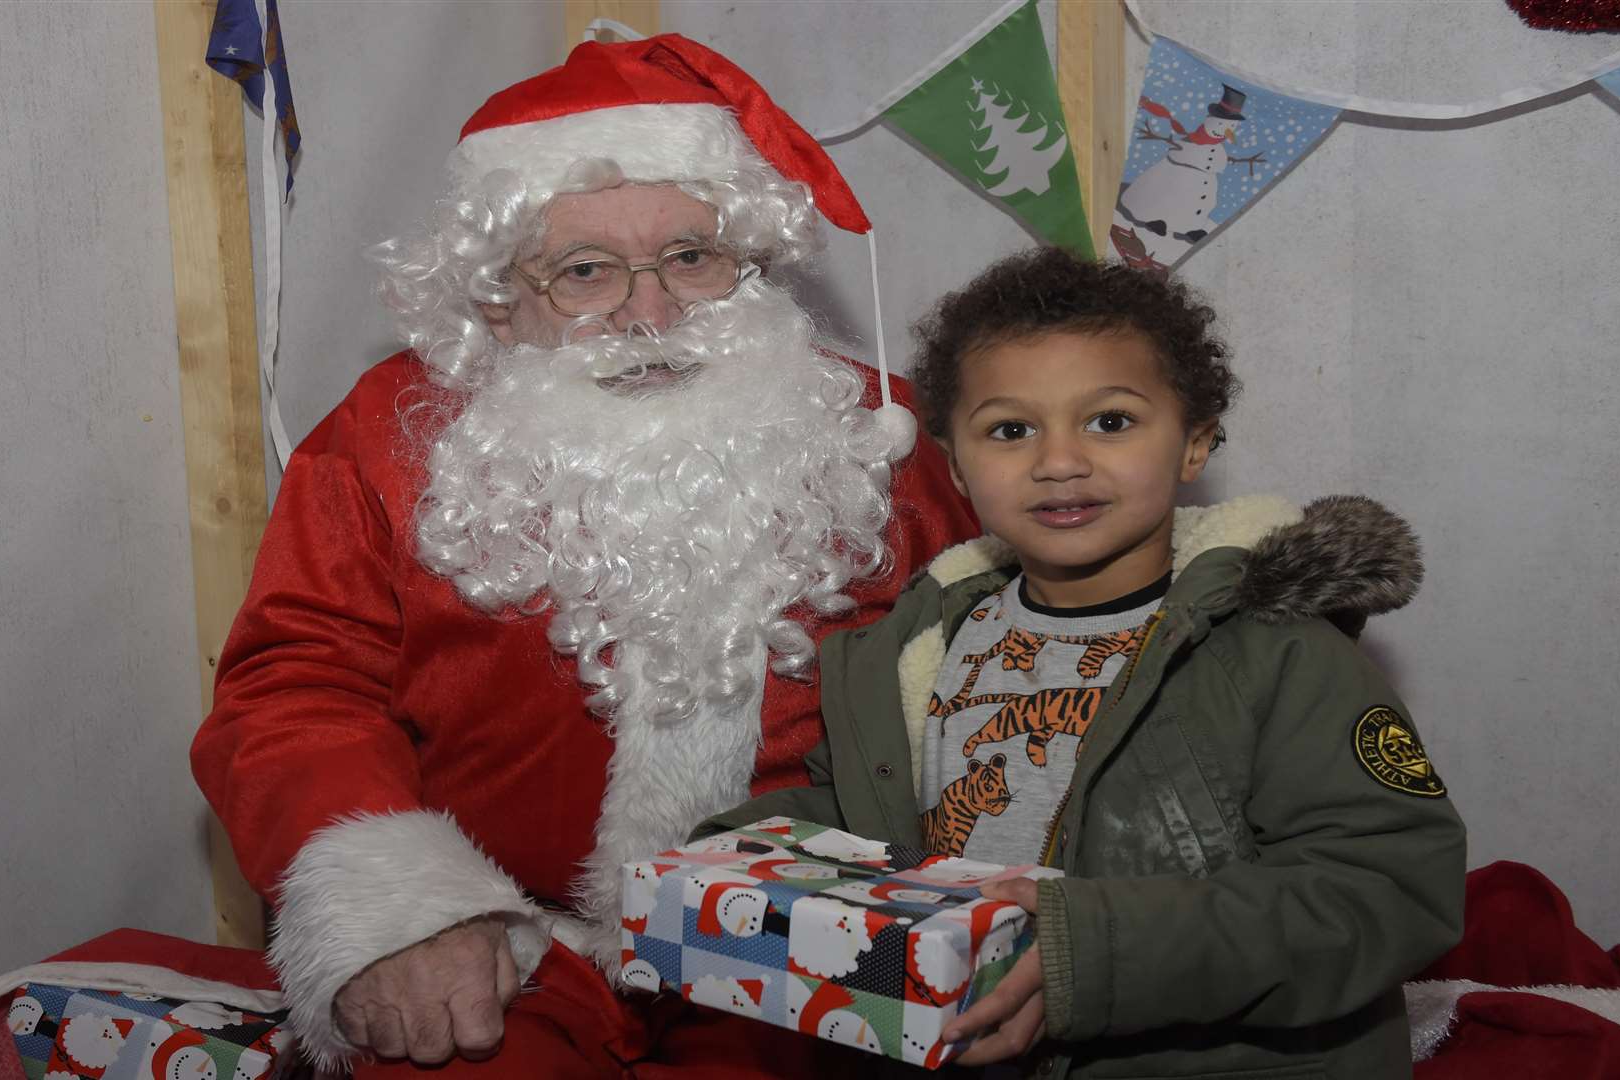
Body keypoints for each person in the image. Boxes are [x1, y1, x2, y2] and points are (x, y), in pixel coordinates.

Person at [187, 34, 976, 1076]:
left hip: (812, 953)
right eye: (585, 272)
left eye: (692, 258)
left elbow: (997, 688)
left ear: (752, 262)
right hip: (511, 946)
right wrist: (405, 913)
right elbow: (296, 690)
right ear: (498, 300)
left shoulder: (878, 433)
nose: (650, 316)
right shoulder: (385, 440)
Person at [701, 248, 1467, 1078]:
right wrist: (739, 859)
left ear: (1194, 444)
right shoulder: (917, 647)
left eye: (1110, 420)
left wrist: (1095, 953)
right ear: (957, 465)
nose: (1059, 460)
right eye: (1010, 429)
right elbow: (867, 816)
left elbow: (1384, 889)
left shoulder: (1279, 652)